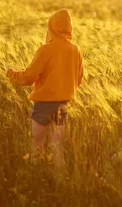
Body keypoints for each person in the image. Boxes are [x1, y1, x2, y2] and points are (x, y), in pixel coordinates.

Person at [6, 9, 84, 168]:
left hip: (43, 106)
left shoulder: (45, 50)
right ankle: (60, 182)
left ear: (52, 28)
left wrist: (11, 74)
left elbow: (28, 77)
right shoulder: (75, 50)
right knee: (57, 146)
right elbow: (79, 79)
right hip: (63, 105)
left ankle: (36, 177)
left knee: (37, 143)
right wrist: (63, 85)